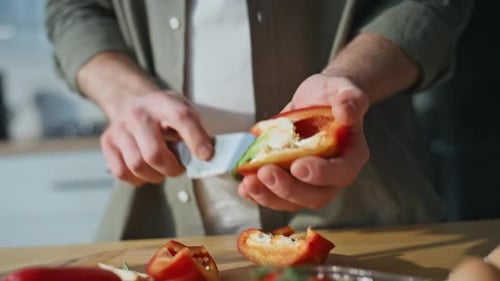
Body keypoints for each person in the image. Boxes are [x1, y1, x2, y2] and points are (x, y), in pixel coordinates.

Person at [45, 0, 472, 241]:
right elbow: (73, 10)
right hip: (158, 230)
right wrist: (126, 95)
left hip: (366, 224)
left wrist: (348, 79)